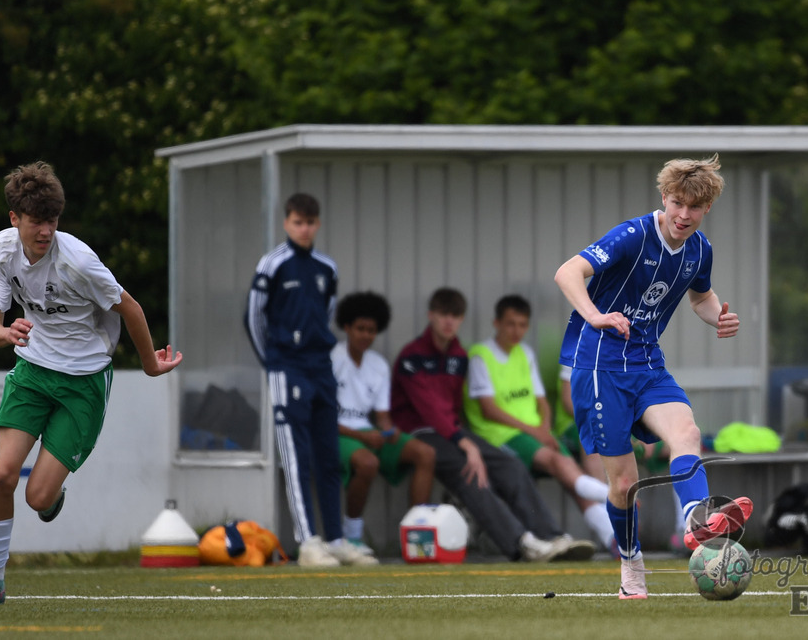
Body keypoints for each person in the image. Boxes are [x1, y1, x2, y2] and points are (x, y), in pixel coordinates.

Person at [0, 162, 183, 606]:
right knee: (2, 477)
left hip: (84, 381)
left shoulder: (78, 261)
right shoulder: (2, 250)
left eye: (53, 220)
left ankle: (51, 497)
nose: (45, 230)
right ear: (14, 218)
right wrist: (6, 333)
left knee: (37, 496)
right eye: (36, 221)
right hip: (32, 371)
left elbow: (131, 308)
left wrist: (149, 365)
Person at [554, 154, 753, 600]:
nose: (684, 215)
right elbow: (567, 272)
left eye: (694, 207)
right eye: (677, 203)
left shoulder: (699, 249)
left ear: (706, 208)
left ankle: (697, 521)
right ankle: (631, 563)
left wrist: (717, 317)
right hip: (600, 367)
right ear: (664, 197)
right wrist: (595, 315)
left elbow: (700, 297)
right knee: (625, 485)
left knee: (687, 433)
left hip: (647, 364)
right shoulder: (632, 235)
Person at [390, 287, 595, 563]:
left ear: (461, 319)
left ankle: (552, 537)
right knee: (470, 472)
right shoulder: (412, 357)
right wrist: (466, 443)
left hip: (452, 432)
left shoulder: (458, 355)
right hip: (419, 433)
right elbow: (431, 411)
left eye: (455, 316)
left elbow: (452, 410)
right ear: (431, 316)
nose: (449, 321)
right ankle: (522, 543)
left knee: (510, 466)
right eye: (443, 314)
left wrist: (465, 439)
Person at [244, 193, 372, 567]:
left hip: (322, 369)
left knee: (328, 457)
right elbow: (253, 317)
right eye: (298, 222)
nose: (304, 229)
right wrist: (273, 363)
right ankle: (307, 542)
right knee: (295, 457)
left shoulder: (326, 267)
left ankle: (336, 540)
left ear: (318, 224)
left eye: (310, 223)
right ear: (287, 223)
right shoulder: (272, 264)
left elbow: (326, 311)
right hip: (288, 368)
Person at [464, 295, 617, 556]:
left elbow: (542, 402)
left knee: (571, 475)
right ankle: (613, 496)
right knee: (559, 463)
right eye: (510, 324)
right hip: (501, 435)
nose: (516, 331)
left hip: (535, 433)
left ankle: (613, 539)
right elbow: (489, 410)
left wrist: (544, 429)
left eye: (522, 325)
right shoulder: (480, 356)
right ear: (496, 323)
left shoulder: (524, 353)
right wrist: (536, 432)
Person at [331, 291, 436, 559]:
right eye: (360, 328)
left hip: (366, 433)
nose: (366, 335)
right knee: (368, 463)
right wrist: (364, 437)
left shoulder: (378, 365)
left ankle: (415, 538)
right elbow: (323, 418)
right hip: (336, 433)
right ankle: (352, 538)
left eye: (371, 330)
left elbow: (382, 417)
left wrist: (390, 431)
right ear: (346, 327)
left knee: (425, 453)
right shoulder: (331, 359)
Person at [558, 364, 688, 554]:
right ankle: (614, 532)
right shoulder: (578, 350)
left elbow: (645, 393)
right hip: (591, 424)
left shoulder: (638, 351)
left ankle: (686, 529)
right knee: (593, 441)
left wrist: (646, 425)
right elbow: (571, 402)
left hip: (628, 424)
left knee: (682, 439)